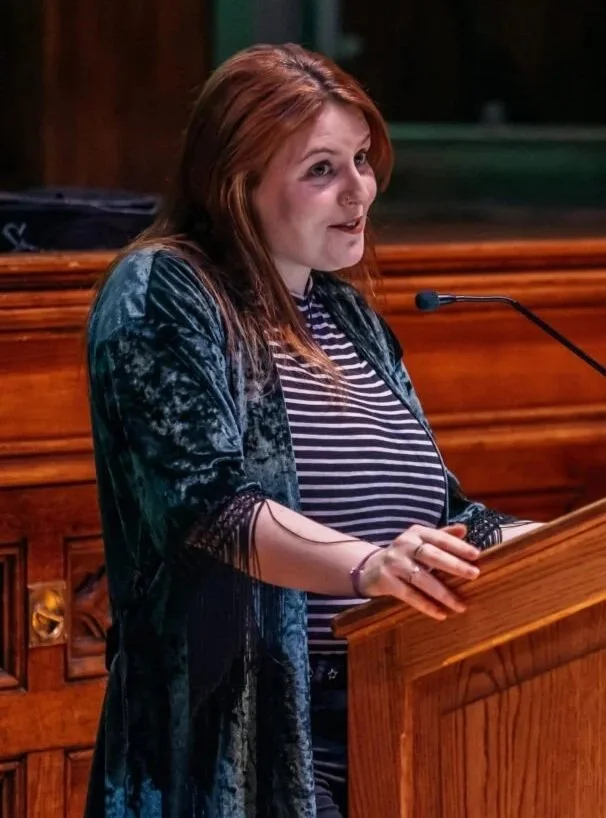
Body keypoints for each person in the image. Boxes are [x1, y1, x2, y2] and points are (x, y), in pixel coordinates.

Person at [84, 43, 540, 818]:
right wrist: (367, 568)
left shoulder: (349, 315)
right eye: (320, 170)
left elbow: (446, 521)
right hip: (242, 751)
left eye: (360, 159)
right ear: (238, 186)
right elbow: (212, 509)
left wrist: (565, 546)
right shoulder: (166, 291)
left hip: (398, 723)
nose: (358, 190)